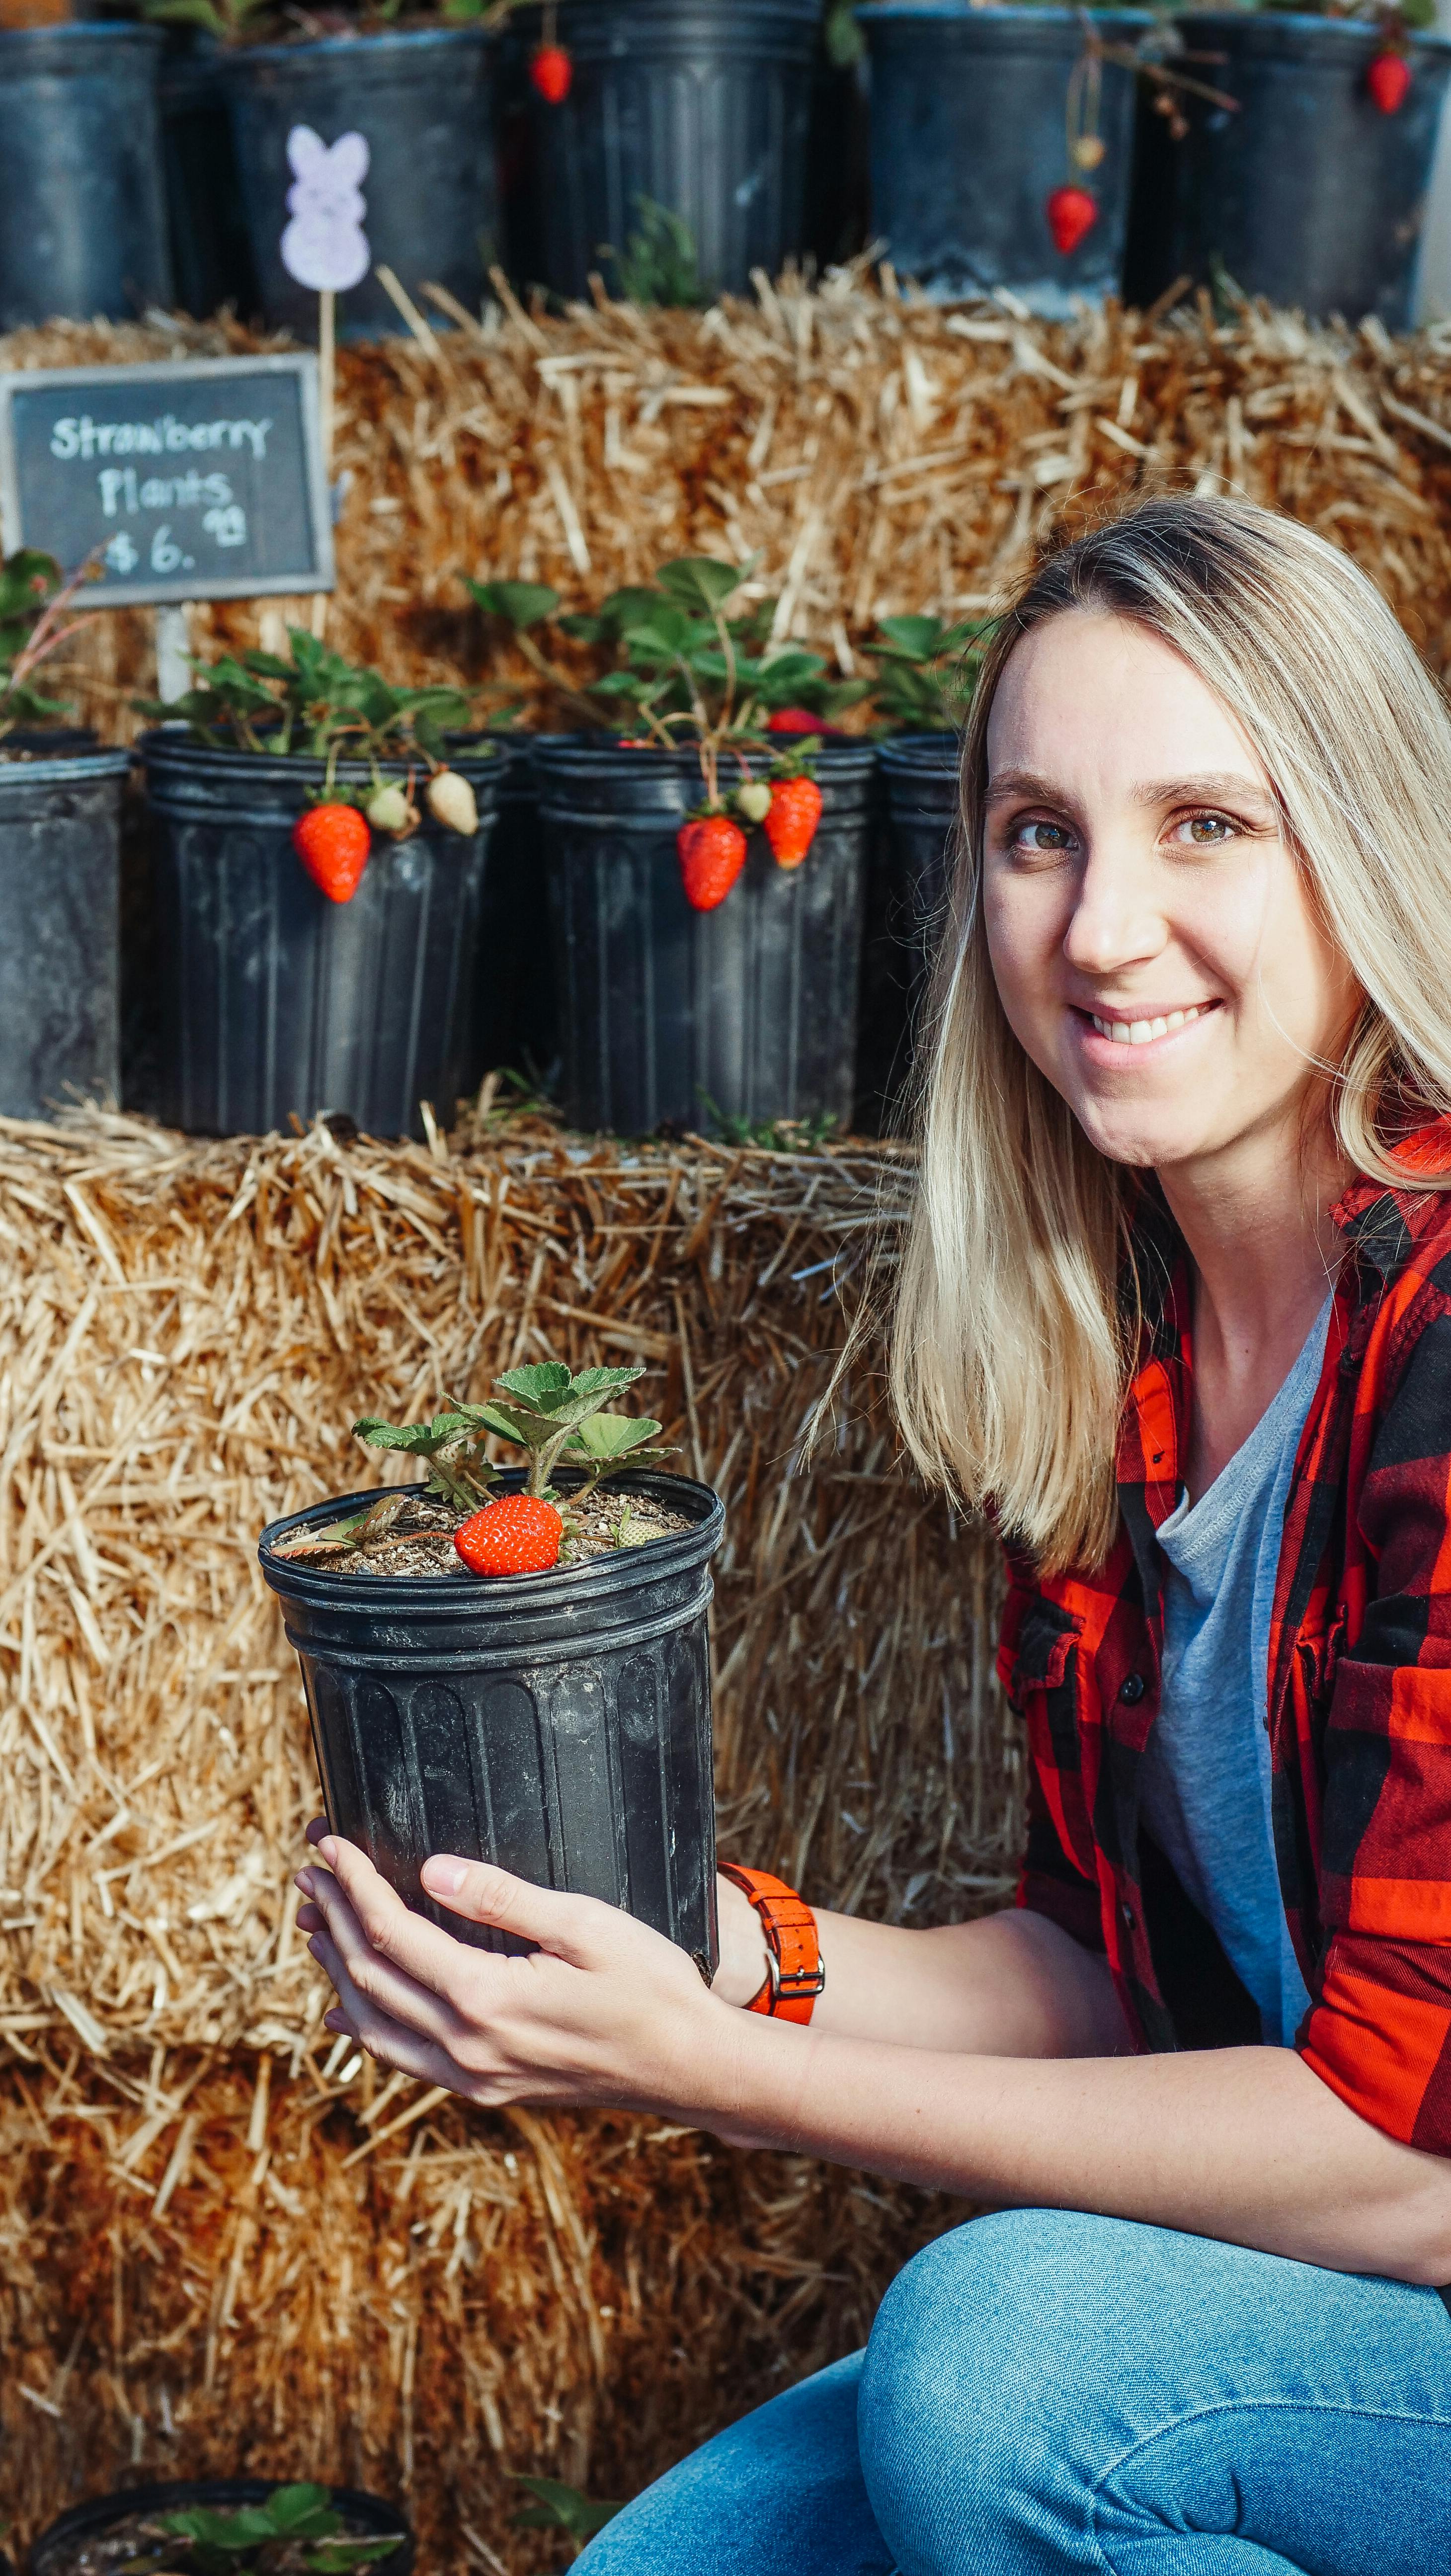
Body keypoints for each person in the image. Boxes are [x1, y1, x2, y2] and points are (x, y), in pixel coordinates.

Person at [295, 495, 1451, 2574]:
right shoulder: (1131, 1347)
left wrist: (718, 2074)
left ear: (1359, 848)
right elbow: (1110, 1982)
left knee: (1000, 2361)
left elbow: (1410, 2158)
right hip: (1320, 2319)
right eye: (1037, 833)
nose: (1099, 928)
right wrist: (712, 1953)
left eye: (1205, 824)